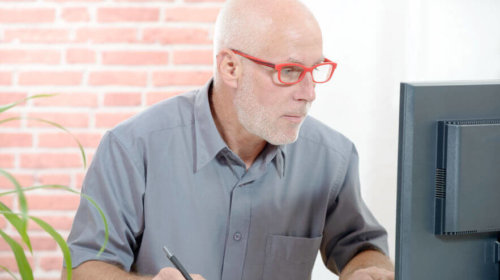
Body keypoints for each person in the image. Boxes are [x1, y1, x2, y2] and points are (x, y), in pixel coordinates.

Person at [62, 0, 395, 279]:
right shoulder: (132, 148)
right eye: (289, 72)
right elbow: (81, 268)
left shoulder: (332, 158)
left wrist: (366, 270)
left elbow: (362, 249)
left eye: (316, 71)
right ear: (231, 67)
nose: (309, 94)